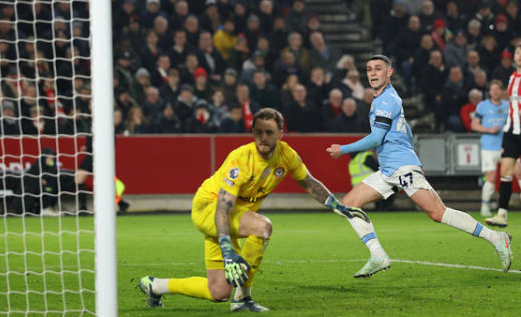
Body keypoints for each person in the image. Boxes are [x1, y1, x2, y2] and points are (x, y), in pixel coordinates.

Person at [138, 108, 369, 311]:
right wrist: (228, 248)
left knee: (218, 292)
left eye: (269, 132)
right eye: (258, 132)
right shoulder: (240, 160)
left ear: (280, 134)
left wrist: (336, 204)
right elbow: (222, 207)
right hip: (209, 208)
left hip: (232, 216)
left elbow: (308, 181)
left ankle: (155, 285)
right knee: (262, 226)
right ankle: (243, 298)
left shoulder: (286, 155)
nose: (263, 138)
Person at [326, 55, 513, 278]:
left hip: (401, 168)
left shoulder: (387, 100)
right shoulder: (383, 99)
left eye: (378, 69)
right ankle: (378, 255)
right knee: (348, 204)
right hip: (389, 169)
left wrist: (343, 149)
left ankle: (496, 238)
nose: (373, 73)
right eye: (369, 69)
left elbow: (376, 138)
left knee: (438, 213)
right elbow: (406, 129)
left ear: (389, 72)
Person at [485, 44, 521, 227]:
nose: (519, 56)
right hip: (511, 131)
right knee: (506, 173)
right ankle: (502, 214)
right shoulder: (513, 77)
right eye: (517, 52)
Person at [470, 80, 508, 217]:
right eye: (493, 89)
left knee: (517, 172)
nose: (495, 92)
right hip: (488, 147)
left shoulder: (508, 106)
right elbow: (474, 125)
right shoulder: (482, 106)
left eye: (498, 89)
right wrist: (489, 130)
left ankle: (502, 207)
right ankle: (484, 206)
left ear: (502, 91)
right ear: (490, 92)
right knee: (491, 177)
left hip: (506, 146)